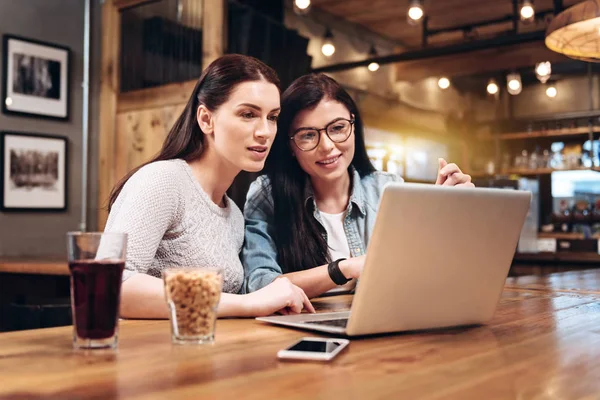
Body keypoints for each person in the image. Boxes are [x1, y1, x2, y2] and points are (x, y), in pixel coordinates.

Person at [104, 55, 314, 319]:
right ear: (206, 119)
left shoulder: (234, 215)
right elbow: (111, 285)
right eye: (248, 114)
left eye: (272, 117)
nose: (265, 131)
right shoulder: (163, 181)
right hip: (145, 355)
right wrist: (249, 304)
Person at [242, 73, 473, 298]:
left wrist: (448, 215)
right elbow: (260, 284)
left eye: (337, 128)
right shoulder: (268, 195)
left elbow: (423, 268)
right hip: (297, 328)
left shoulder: (387, 189)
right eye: (308, 135)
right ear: (290, 145)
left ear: (353, 125)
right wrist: (343, 269)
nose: (327, 146)